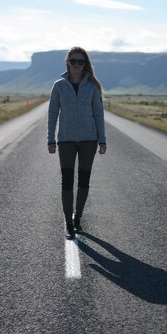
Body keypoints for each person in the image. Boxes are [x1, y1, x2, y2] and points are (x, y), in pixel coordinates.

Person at [47, 46, 107, 239]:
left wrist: (102, 139)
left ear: (85, 64)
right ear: (68, 62)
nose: (77, 65)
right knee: (67, 180)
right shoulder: (58, 86)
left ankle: (78, 218)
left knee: (84, 180)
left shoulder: (92, 86)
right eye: (73, 61)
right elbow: (52, 114)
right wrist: (51, 139)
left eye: (80, 62)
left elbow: (98, 113)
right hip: (66, 140)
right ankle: (69, 223)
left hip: (89, 139)